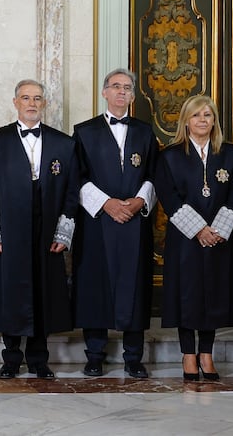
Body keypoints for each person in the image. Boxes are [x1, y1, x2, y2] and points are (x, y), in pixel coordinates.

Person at [0, 79, 78, 379]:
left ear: (44, 103)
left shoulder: (64, 143)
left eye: (37, 98)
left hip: (47, 227)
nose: (31, 103)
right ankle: (10, 359)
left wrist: (64, 231)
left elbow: (72, 191)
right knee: (11, 289)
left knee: (43, 289)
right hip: (9, 227)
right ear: (15, 102)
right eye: (25, 97)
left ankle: (39, 359)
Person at [71, 69, 158, 378]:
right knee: (95, 285)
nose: (122, 92)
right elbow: (76, 177)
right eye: (116, 86)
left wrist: (139, 201)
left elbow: (154, 174)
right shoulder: (83, 132)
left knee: (135, 288)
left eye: (127, 88)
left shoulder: (145, 132)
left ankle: (133, 356)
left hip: (135, 222)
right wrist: (106, 204)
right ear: (104, 92)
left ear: (133, 97)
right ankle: (94, 355)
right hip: (97, 222)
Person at [156, 95, 233, 381]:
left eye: (208, 115)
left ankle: (206, 354)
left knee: (214, 293)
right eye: (197, 115)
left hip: (220, 238)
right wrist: (198, 230)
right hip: (186, 239)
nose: (202, 120)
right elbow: (168, 197)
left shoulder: (231, 155)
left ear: (214, 121)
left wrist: (217, 230)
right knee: (188, 294)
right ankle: (188, 354)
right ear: (186, 120)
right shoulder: (170, 156)